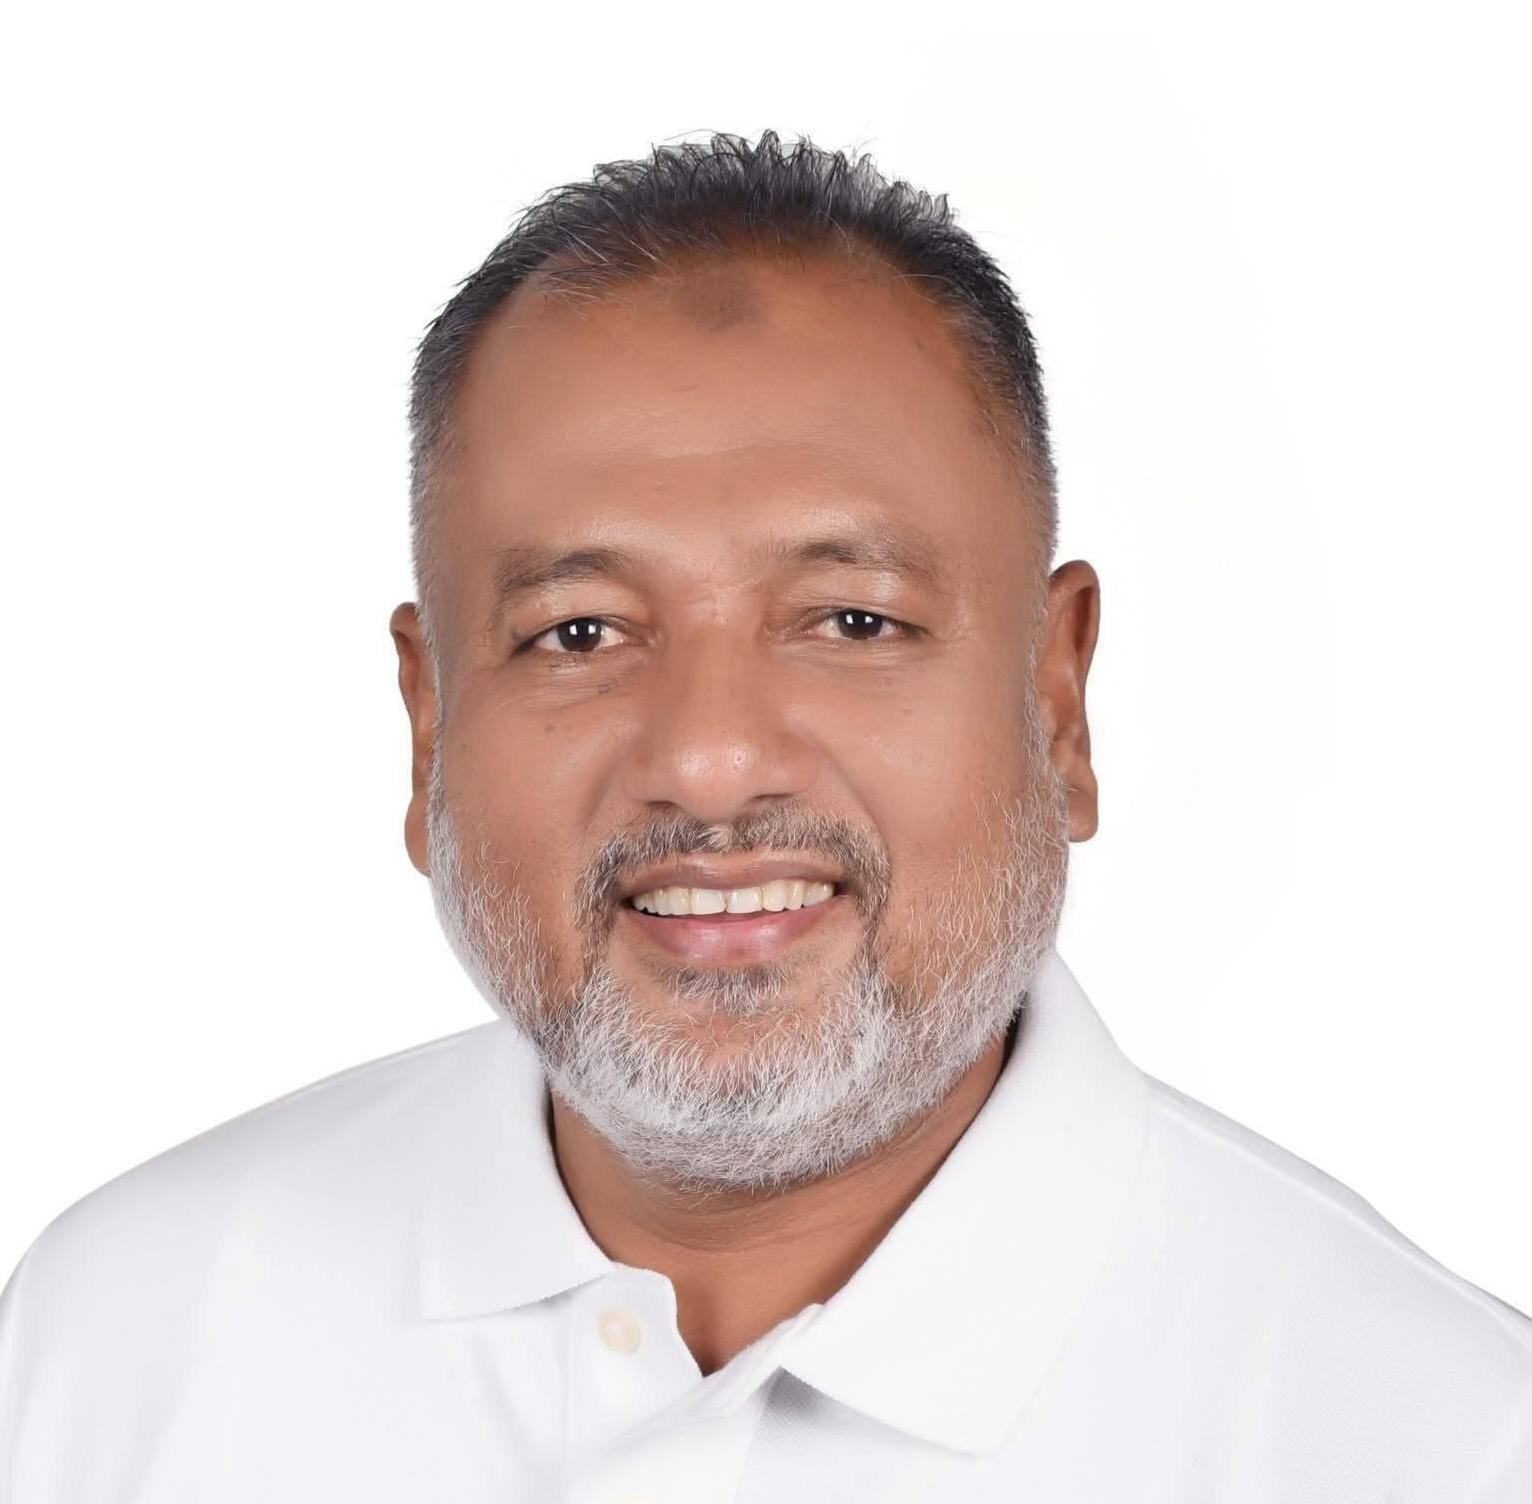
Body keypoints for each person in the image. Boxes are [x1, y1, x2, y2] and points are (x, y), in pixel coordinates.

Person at [1, 129, 1528, 1502]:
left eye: (854, 621)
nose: (714, 759)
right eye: (579, 632)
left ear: (1056, 702)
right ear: (429, 724)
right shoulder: (113, 1342)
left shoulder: (1440, 1445)